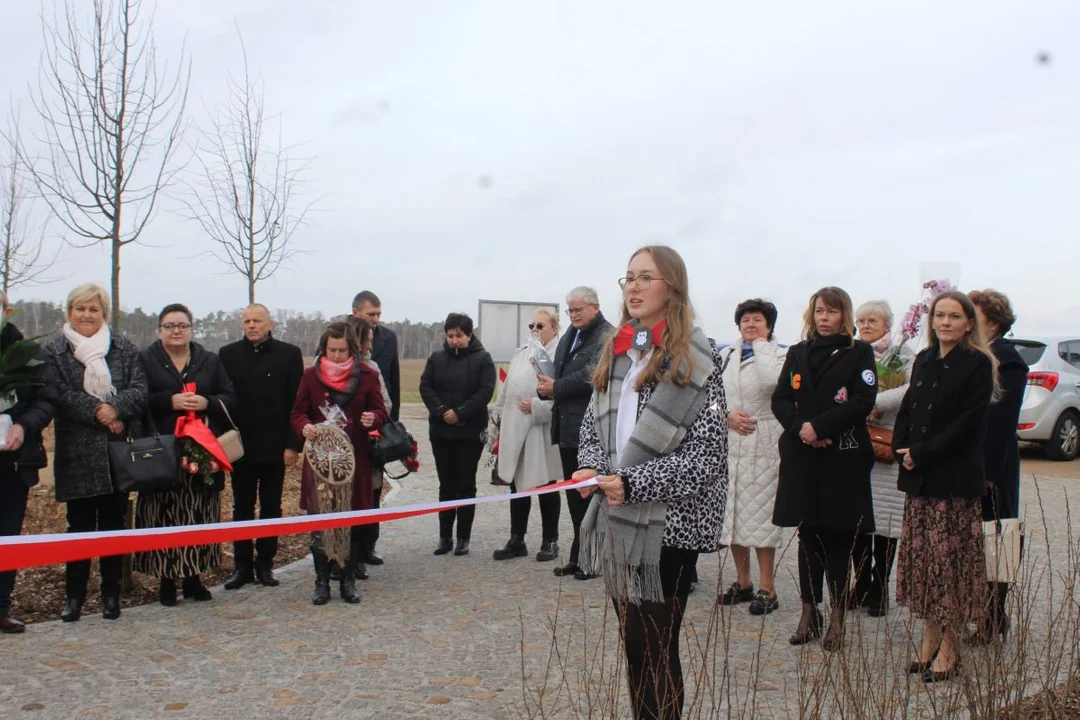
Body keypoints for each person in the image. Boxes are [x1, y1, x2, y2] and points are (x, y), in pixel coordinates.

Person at [575, 245, 728, 720]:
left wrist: (633, 483)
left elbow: (707, 457)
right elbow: (592, 424)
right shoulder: (620, 350)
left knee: (658, 647)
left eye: (646, 277)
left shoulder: (698, 361)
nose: (634, 287)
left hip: (670, 523)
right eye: (629, 278)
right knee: (635, 647)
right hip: (621, 518)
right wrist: (588, 465)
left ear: (673, 287)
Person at [894, 290, 996, 683]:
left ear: (969, 323)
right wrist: (904, 445)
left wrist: (922, 451)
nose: (946, 323)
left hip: (952, 481)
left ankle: (951, 647)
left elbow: (968, 425)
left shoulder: (977, 364)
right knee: (924, 565)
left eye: (955, 317)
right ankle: (929, 635)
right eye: (940, 316)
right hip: (920, 479)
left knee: (949, 566)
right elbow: (909, 408)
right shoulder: (923, 359)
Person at [771, 287, 877, 651]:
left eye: (832, 312)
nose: (824, 318)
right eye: (819, 311)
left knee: (838, 539)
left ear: (843, 315)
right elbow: (781, 397)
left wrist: (822, 427)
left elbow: (864, 400)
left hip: (842, 459)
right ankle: (808, 610)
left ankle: (836, 616)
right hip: (803, 455)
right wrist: (803, 428)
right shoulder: (798, 353)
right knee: (808, 536)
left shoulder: (858, 352)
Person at [44, 283, 148, 622]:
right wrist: (99, 412)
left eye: (93, 309)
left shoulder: (123, 347)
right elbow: (57, 393)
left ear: (103, 312)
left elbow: (139, 389)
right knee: (80, 527)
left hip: (116, 453)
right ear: (69, 312)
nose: (86, 315)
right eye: (80, 309)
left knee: (113, 525)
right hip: (77, 453)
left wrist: (116, 408)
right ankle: (74, 596)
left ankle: (110, 594)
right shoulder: (55, 350)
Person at [135, 304, 237, 607]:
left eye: (181, 325)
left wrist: (206, 402)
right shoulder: (146, 360)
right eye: (169, 326)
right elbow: (137, 399)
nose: (176, 331)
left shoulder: (209, 361)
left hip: (201, 452)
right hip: (161, 449)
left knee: (198, 511)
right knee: (163, 513)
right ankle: (167, 578)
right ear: (159, 330)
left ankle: (194, 575)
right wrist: (170, 401)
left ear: (191, 329)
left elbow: (230, 396)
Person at [291, 321, 388, 605]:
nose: (335, 356)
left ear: (352, 350)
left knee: (353, 521)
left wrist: (374, 419)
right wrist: (305, 427)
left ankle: (348, 581)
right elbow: (297, 413)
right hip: (321, 463)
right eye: (330, 350)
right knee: (321, 522)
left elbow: (381, 410)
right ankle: (321, 582)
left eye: (341, 351)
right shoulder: (310, 376)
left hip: (354, 460)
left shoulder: (368, 375)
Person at [218, 304, 305, 590]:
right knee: (241, 506)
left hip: (275, 447)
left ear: (270, 324)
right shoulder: (228, 355)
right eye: (246, 321)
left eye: (257, 321)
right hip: (240, 448)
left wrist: (293, 445)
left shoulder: (289, 355)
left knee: (271, 507)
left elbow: (297, 403)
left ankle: (265, 564)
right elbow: (223, 401)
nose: (251, 325)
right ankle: (241, 566)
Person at [537, 286, 613, 580]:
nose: (574, 315)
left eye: (578, 309)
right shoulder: (570, 334)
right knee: (574, 498)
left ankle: (592, 559)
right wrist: (546, 388)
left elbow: (592, 375)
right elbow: (560, 372)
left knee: (590, 498)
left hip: (591, 430)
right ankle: (578, 556)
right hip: (567, 428)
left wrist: (555, 387)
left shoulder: (607, 335)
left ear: (595, 307)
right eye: (570, 310)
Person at [717, 299, 785, 616]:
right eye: (745, 320)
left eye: (757, 320)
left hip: (765, 440)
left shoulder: (780, 355)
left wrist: (760, 346)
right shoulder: (725, 356)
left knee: (762, 516)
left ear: (769, 325)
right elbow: (711, 399)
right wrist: (726, 415)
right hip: (731, 440)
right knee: (732, 517)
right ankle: (743, 581)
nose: (750, 325)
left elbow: (772, 383)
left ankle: (767, 586)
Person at [968, 289, 1027, 644]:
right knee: (974, 540)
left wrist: (988, 473)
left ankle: (993, 614)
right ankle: (979, 609)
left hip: (994, 465)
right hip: (968, 462)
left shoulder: (1007, 360)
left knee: (997, 537)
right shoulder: (975, 356)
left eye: (973, 315)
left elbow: (1003, 423)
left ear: (993, 320)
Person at [850, 300, 912, 616]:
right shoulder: (854, 352)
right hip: (857, 443)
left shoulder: (903, 353)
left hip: (887, 441)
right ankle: (859, 583)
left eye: (872, 319)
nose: (866, 325)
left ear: (887, 323)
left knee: (886, 523)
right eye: (861, 320)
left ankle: (879, 587)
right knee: (858, 521)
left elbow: (911, 389)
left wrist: (876, 402)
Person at [0, 291, 58, 633]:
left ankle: (1, 605)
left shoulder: (28, 355)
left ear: (7, 311)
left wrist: (24, 425)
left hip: (14, 463)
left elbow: (47, 400)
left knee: (7, 536)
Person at [419, 312, 496, 556]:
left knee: (465, 484)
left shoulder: (483, 359)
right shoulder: (436, 358)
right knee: (446, 484)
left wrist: (460, 413)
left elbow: (485, 392)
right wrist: (442, 411)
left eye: (459, 336)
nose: (454, 340)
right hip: (441, 430)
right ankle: (444, 537)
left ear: (469, 334)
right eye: (450, 336)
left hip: (469, 431)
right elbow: (426, 387)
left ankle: (463, 537)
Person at [491, 309, 563, 562]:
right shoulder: (521, 352)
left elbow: (561, 394)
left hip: (541, 428)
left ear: (554, 328)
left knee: (545, 483)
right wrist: (498, 416)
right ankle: (517, 539)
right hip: (514, 425)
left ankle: (550, 540)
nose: (535, 329)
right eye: (532, 325)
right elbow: (508, 386)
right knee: (516, 484)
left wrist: (537, 406)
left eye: (541, 325)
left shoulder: (558, 354)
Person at [352, 290, 400, 567]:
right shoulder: (336, 337)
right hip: (349, 435)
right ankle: (348, 550)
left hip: (376, 429)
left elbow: (391, 385)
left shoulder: (389, 338)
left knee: (373, 489)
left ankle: (369, 544)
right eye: (372, 315)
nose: (377, 320)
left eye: (379, 314)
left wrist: (391, 428)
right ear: (356, 312)